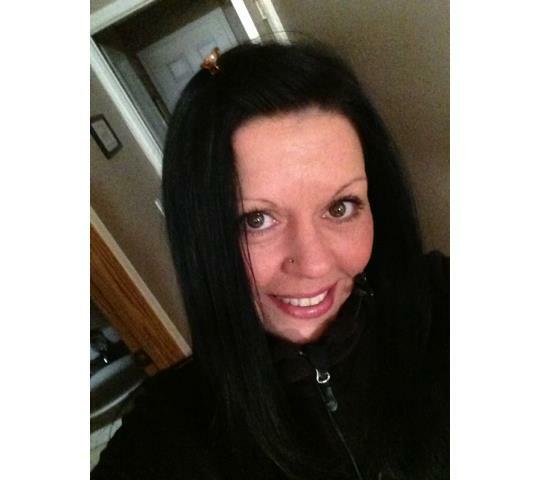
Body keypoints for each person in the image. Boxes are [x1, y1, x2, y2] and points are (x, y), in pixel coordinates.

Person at [92, 42, 449, 480]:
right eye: (257, 219)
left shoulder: (443, 303)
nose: (314, 264)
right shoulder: (166, 434)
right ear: (202, 234)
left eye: (340, 207)